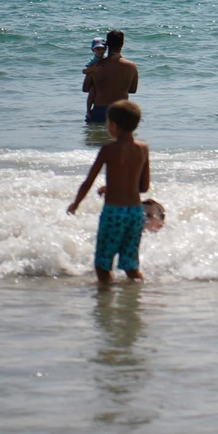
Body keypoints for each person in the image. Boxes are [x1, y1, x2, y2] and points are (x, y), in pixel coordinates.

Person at [67, 101, 151, 283]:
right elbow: (144, 187)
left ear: (113, 125)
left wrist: (76, 204)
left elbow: (88, 183)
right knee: (131, 266)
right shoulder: (143, 148)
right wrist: (115, 186)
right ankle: (137, 297)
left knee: (102, 266)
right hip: (136, 213)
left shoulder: (108, 149)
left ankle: (105, 305)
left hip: (114, 213)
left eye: (107, 123)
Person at [83, 30, 137, 124]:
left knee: (96, 137)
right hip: (121, 110)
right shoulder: (131, 66)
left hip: (99, 110)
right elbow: (132, 90)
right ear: (122, 44)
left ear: (107, 45)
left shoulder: (95, 66)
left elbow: (85, 88)